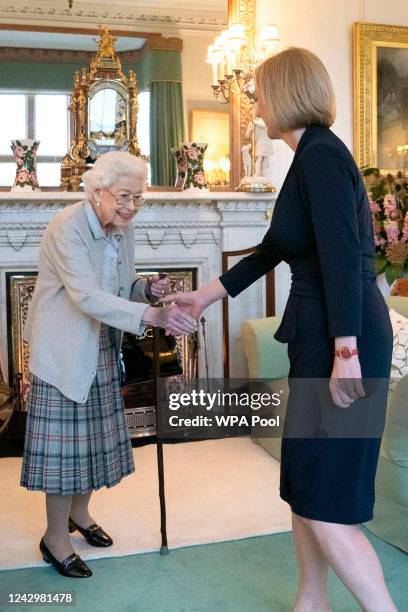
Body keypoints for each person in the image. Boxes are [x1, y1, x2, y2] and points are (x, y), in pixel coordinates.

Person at [162, 48, 397, 611]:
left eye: (261, 92)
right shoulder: (309, 157)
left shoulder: (320, 158)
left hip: (342, 336)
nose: (255, 102)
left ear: (287, 94)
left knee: (325, 495)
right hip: (323, 334)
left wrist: (346, 350)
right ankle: (311, 600)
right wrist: (205, 294)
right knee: (303, 484)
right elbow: (274, 248)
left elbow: (342, 256)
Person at [20, 151, 197, 578]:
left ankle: (80, 515)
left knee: (92, 444)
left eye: (138, 198)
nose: (131, 207)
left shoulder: (121, 229)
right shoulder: (68, 228)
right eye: (123, 196)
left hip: (100, 343)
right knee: (64, 454)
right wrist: (151, 317)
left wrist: (146, 289)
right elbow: (86, 296)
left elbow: (119, 285)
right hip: (64, 348)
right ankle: (54, 539)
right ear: (97, 191)